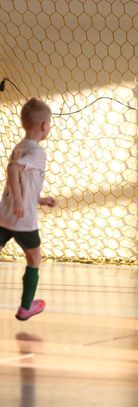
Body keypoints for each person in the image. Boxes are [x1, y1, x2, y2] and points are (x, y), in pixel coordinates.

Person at [0, 98, 57, 321]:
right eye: (49, 123)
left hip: (4, 214)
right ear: (44, 125)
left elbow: (23, 181)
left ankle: (27, 306)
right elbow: (13, 170)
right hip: (23, 219)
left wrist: (39, 199)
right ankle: (26, 308)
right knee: (34, 258)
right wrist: (19, 201)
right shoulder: (37, 152)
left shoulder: (20, 146)